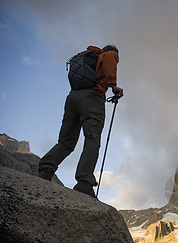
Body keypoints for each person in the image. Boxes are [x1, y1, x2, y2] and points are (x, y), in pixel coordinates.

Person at [38, 45, 124, 198]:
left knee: (66, 141)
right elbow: (110, 61)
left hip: (72, 97)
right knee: (92, 138)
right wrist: (113, 86)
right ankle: (84, 182)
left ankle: (46, 168)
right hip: (92, 96)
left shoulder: (86, 57)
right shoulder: (109, 54)